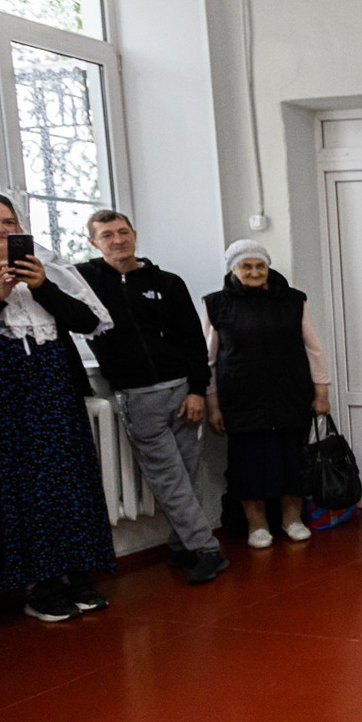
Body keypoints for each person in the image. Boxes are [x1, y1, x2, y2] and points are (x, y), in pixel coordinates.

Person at [0, 191, 117, 621]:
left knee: (68, 480)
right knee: (20, 487)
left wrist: (41, 286)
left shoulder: (48, 265)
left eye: (9, 222)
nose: (0, 230)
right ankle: (39, 584)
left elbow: (87, 321)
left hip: (53, 388)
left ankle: (76, 573)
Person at [78, 210, 228, 585]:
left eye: (123, 232)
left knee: (188, 475)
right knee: (169, 480)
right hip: (138, 397)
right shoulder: (85, 281)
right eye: (107, 235)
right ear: (93, 242)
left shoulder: (168, 283)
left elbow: (193, 340)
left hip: (182, 392)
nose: (117, 240)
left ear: (134, 234)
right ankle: (207, 549)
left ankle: (182, 544)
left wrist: (197, 390)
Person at [203, 240, 332, 548]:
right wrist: (213, 405)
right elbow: (208, 359)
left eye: (260, 265)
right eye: (246, 266)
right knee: (247, 466)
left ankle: (293, 520)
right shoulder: (216, 304)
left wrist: (321, 392)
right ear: (232, 269)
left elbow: (314, 349)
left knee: (292, 461)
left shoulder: (293, 300)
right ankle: (257, 525)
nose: (254, 272)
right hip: (241, 400)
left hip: (290, 396)